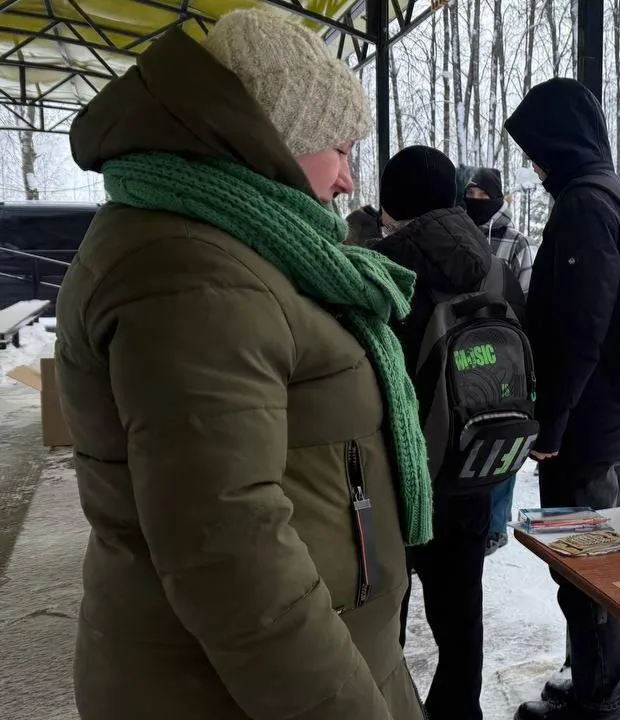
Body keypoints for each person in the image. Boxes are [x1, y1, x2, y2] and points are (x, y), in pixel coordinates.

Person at [57, 8, 425, 719]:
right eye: (341, 149)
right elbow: (229, 550)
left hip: (291, 667)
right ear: (280, 140)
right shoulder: (191, 274)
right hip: (230, 690)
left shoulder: (240, 244)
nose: (349, 182)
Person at [504, 77, 620, 720]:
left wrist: (551, 425)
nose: (534, 166)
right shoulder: (613, 195)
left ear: (559, 144)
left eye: (536, 151)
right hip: (611, 420)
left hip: (586, 427)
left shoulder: (585, 206)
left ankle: (598, 703)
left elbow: (580, 330)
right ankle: (619, 686)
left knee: (587, 573)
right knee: (613, 561)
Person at [371, 145, 527, 720]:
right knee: (461, 610)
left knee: (386, 607)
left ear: (391, 204)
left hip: (399, 472)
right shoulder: (495, 266)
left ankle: (388, 707)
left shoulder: (382, 270)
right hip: (474, 460)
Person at [463, 167, 536, 555]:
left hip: (505, 351)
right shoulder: (458, 234)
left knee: (503, 435)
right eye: (469, 194)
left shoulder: (516, 242)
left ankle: (496, 523)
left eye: (481, 195)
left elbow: (527, 294)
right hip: (464, 353)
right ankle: (472, 515)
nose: (474, 201)